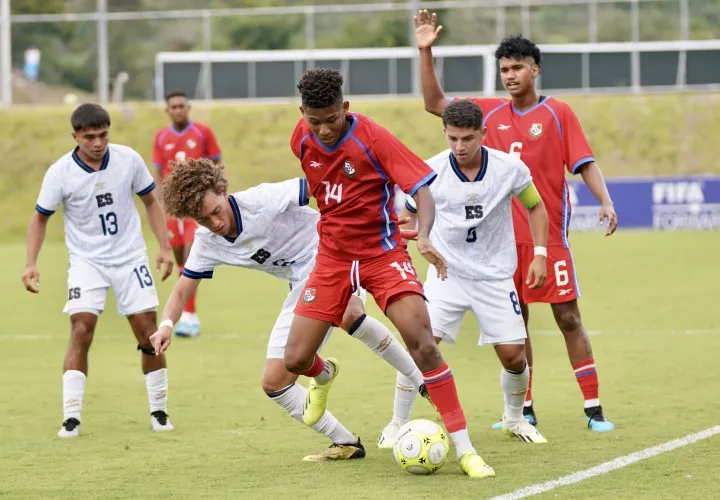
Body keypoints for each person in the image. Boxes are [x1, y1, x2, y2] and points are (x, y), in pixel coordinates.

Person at [283, 68, 495, 478]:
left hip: (382, 253)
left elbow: (422, 190)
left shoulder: (374, 138)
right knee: (294, 360)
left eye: (332, 118)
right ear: (302, 114)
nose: (324, 130)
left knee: (423, 342)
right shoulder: (301, 138)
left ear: (345, 107)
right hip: (332, 257)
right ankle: (323, 376)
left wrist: (427, 236)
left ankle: (466, 450)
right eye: (315, 121)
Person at [148, 157, 433, 461]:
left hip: (333, 255)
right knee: (274, 382)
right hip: (301, 284)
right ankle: (345, 441)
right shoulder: (208, 242)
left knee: (349, 313)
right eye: (203, 220)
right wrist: (166, 324)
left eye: (216, 211)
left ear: (222, 191)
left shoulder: (262, 200)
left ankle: (420, 380)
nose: (214, 223)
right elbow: (182, 289)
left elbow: (328, 184)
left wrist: (377, 218)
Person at [413, 10, 618, 432]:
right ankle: (524, 408)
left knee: (568, 318)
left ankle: (593, 407)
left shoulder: (558, 113)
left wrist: (606, 200)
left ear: (534, 69)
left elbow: (584, 162)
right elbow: (435, 103)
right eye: (504, 69)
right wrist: (425, 51)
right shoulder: (486, 114)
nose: (509, 75)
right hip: (502, 245)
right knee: (516, 325)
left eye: (517, 67)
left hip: (548, 238)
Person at [378, 99, 549, 445]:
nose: (459, 146)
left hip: (495, 276)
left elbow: (535, 206)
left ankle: (515, 419)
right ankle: (397, 422)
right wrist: (418, 237)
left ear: (484, 134)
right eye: (452, 138)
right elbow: (408, 215)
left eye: (467, 138)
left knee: (515, 357)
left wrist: (541, 254)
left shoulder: (509, 168)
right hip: (446, 276)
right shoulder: (429, 171)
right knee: (420, 347)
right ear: (444, 133)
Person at [22, 103, 175, 438]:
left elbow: (151, 201)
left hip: (130, 257)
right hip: (87, 261)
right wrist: (31, 263)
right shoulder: (60, 172)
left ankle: (159, 411)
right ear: (75, 136)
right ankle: (71, 418)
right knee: (81, 329)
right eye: (89, 136)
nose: (97, 142)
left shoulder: (128, 159)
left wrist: (164, 247)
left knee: (148, 332)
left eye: (103, 134)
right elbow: (40, 219)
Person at [151, 90, 223, 338]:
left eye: (182, 106)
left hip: (198, 206)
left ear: (188, 107)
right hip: (173, 209)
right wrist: (159, 205)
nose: (179, 110)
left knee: (193, 254)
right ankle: (185, 314)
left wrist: (220, 195)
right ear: (167, 110)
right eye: (174, 107)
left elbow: (217, 163)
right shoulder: (162, 137)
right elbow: (158, 173)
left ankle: (190, 317)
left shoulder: (203, 132)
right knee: (181, 258)